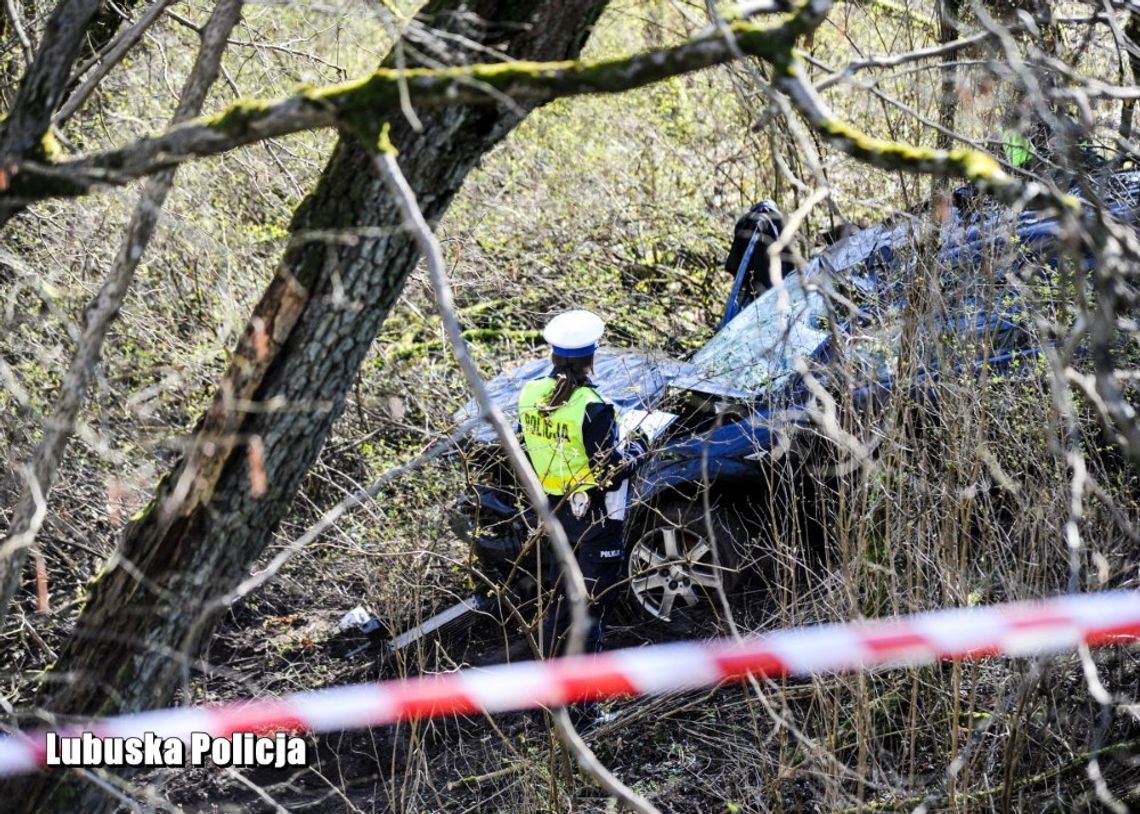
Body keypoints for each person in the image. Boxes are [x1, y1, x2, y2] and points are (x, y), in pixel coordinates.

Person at [518, 310, 645, 658]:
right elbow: (611, 471)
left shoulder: (530, 393)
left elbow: (525, 442)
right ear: (591, 359)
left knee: (560, 606)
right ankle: (585, 708)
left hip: (555, 514)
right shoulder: (593, 408)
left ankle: (550, 693)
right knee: (590, 611)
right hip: (595, 521)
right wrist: (639, 446)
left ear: (553, 355)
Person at [721, 200, 796, 326]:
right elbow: (790, 264)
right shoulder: (781, 223)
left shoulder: (744, 221)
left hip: (749, 288)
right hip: (773, 288)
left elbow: (733, 264)